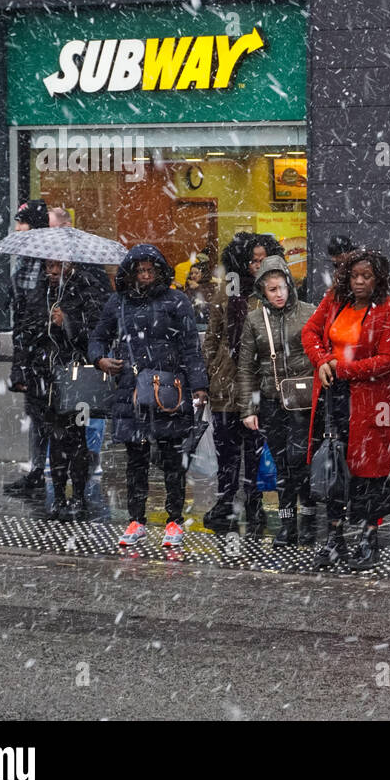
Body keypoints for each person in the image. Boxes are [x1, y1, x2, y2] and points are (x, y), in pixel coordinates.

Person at [90, 245, 209, 549]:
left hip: (169, 388)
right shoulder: (118, 303)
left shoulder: (176, 301)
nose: (144, 276)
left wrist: (199, 387)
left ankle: (173, 520)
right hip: (131, 390)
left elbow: (190, 347)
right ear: (130, 273)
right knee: (136, 459)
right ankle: (136, 520)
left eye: (149, 270)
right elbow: (98, 338)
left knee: (173, 460)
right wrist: (100, 360)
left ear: (159, 271)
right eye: (139, 270)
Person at [302, 249, 390, 569]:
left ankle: (368, 538)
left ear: (378, 279)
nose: (359, 281)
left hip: (371, 400)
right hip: (333, 397)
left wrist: (342, 368)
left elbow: (389, 360)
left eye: (367, 276)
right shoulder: (334, 300)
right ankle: (334, 538)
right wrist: (321, 361)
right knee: (333, 465)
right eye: (354, 275)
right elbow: (310, 333)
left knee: (369, 471)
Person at [237, 254, 317, 546]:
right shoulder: (255, 320)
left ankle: (307, 518)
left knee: (302, 460)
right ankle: (287, 523)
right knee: (282, 463)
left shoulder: (309, 313)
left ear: (289, 284)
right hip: (272, 401)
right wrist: (248, 407)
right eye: (272, 289)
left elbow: (321, 354)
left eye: (282, 286)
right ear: (263, 291)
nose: (279, 294)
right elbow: (245, 366)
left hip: (305, 400)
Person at [202, 233, 267, 537]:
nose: (258, 264)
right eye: (253, 259)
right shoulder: (228, 291)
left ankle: (254, 501)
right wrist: (209, 373)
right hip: (226, 383)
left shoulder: (271, 290)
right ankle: (225, 500)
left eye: (262, 259)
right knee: (226, 448)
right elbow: (213, 337)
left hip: (258, 381)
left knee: (255, 447)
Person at [41, 258, 111, 520]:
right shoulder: (44, 290)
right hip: (49, 378)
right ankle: (58, 496)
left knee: (77, 440)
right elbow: (31, 328)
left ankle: (78, 495)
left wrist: (66, 322)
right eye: (48, 266)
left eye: (56, 266)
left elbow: (94, 333)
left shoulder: (86, 287)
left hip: (75, 377)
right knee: (56, 440)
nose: (52, 271)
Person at [4, 200, 52, 499]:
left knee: (56, 417)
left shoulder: (49, 262)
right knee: (37, 415)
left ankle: (60, 478)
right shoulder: (24, 262)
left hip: (49, 352)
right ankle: (37, 471)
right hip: (31, 352)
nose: (17, 228)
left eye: (22, 222)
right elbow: (22, 317)